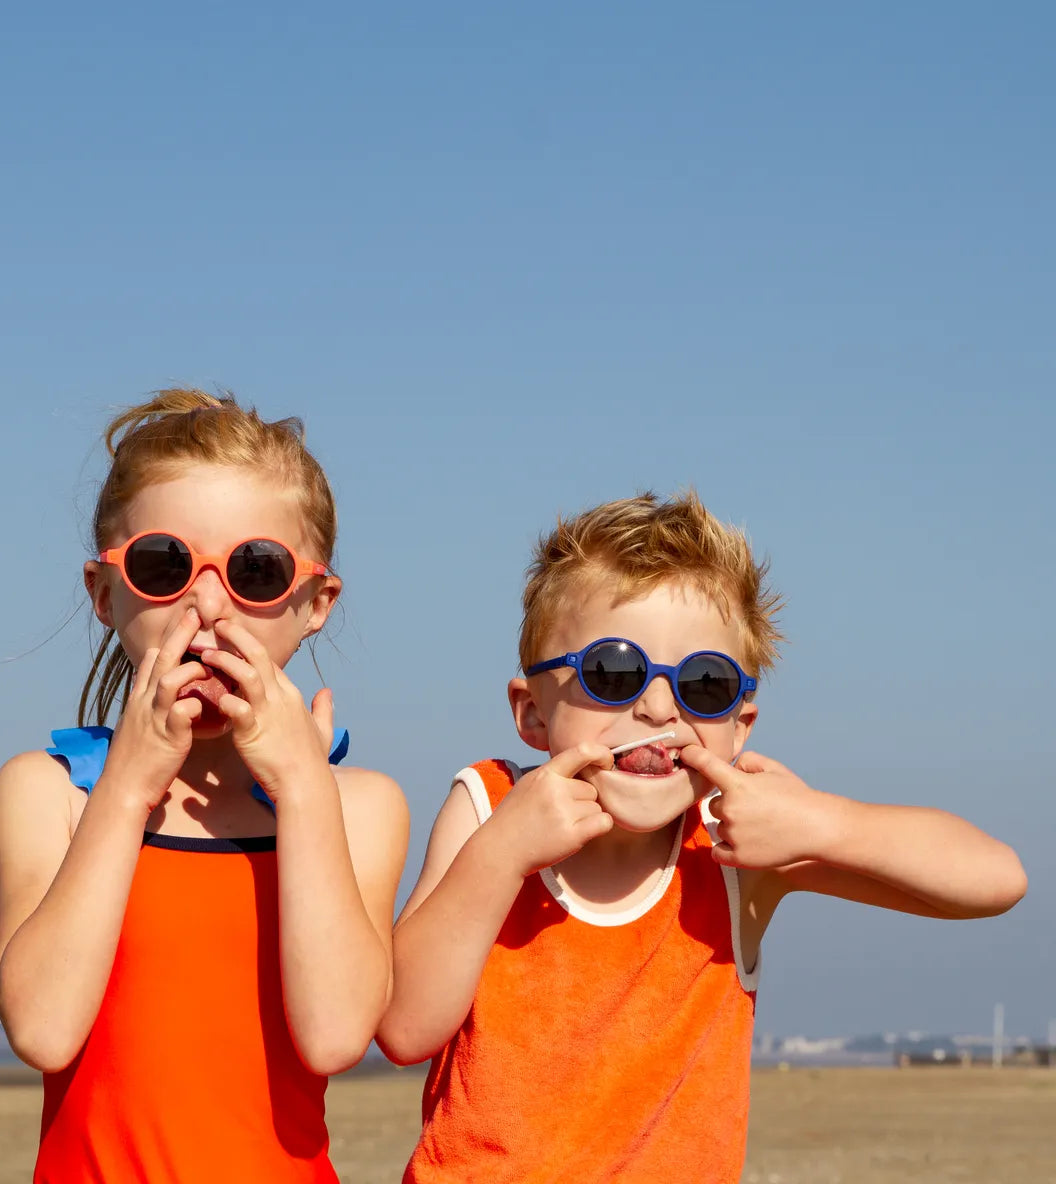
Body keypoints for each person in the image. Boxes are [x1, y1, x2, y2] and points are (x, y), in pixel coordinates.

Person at [379, 490, 1026, 1184]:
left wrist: (821, 822)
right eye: (613, 672)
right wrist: (502, 855)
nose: (657, 706)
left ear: (740, 725)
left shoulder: (732, 851)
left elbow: (993, 880)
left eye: (704, 684)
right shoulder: (488, 808)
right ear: (532, 713)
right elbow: (405, 1028)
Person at [0, 389, 409, 1183]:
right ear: (105, 594)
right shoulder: (50, 793)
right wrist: (126, 789)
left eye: (256, 570)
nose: (208, 604)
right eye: (164, 565)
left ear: (315, 603)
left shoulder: (357, 807)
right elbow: (44, 1029)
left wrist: (301, 790)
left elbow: (335, 1035)